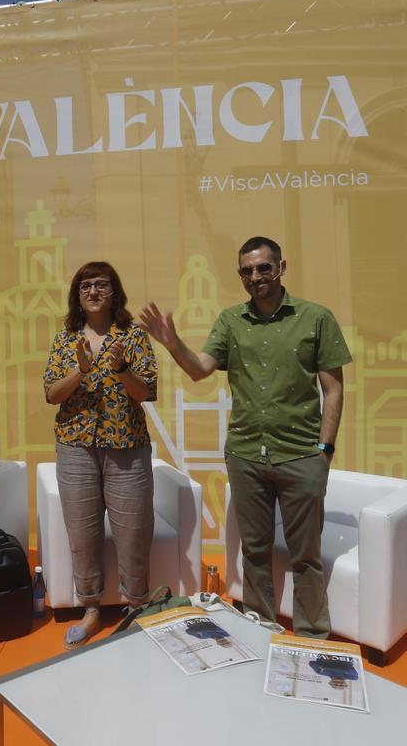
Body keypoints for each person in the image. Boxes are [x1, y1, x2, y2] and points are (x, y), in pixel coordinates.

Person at [140, 236, 352, 639]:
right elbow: (200, 369)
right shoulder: (230, 321)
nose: (256, 277)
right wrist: (173, 344)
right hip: (246, 456)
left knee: (305, 556)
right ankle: (261, 628)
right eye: (247, 271)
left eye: (263, 268)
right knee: (254, 552)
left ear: (281, 268)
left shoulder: (316, 318)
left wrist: (324, 452)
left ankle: (311, 637)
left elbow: (334, 389)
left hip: (301, 455)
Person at [43, 262, 158, 649]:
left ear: (115, 293)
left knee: (133, 532)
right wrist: (81, 370)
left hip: (126, 445)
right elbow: (52, 394)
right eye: (85, 286)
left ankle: (136, 607)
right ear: (77, 294)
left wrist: (121, 368)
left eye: (101, 285)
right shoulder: (65, 340)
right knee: (83, 532)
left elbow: (145, 392)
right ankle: (90, 608)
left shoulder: (134, 337)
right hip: (76, 447)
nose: (93, 291)